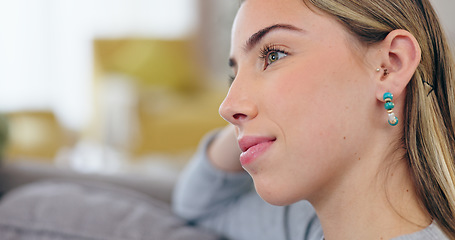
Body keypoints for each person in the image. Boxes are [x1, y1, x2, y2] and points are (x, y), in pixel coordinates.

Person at [173, 0, 455, 239]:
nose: (226, 107)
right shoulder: (306, 226)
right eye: (234, 77)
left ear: (390, 66)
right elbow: (200, 204)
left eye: (274, 55)